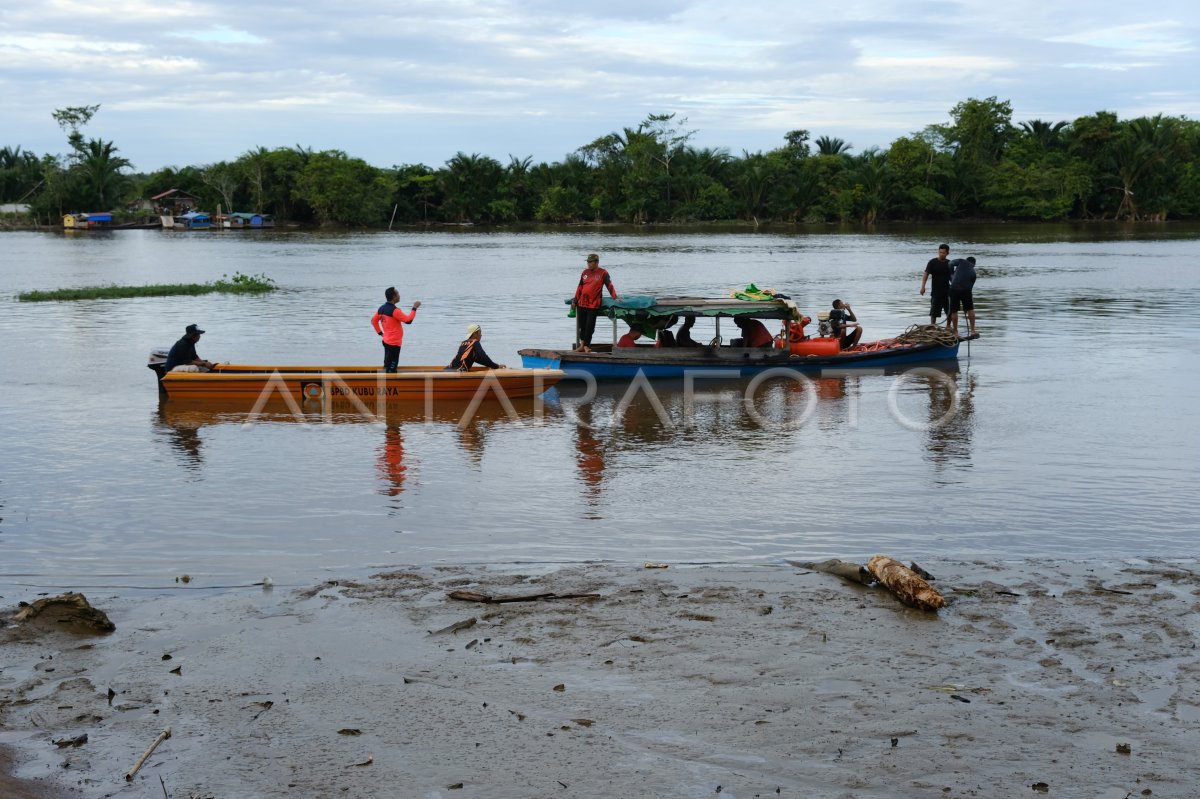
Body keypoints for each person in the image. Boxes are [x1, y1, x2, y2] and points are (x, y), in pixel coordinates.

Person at [571, 253, 619, 352]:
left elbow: (609, 285)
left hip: (593, 304)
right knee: (582, 326)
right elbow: (580, 287)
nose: (588, 264)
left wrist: (615, 297)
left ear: (596, 262)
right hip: (581, 303)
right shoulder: (585, 272)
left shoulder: (603, 273)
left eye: (590, 262)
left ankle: (586, 346)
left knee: (590, 326)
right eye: (588, 262)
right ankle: (582, 345)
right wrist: (575, 300)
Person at [371, 287, 421, 372]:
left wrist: (380, 333)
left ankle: (385, 379)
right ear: (394, 296)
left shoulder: (381, 308)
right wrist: (414, 308)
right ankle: (390, 381)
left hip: (386, 341)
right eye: (398, 293)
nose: (399, 295)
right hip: (394, 344)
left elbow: (373, 321)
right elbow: (408, 320)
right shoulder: (395, 310)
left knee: (387, 363)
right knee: (392, 367)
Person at [919, 243, 953, 327]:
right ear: (938, 252)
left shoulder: (950, 263)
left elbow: (953, 278)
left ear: (947, 253)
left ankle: (948, 327)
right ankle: (932, 327)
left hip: (947, 291)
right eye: (940, 252)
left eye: (943, 253)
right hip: (935, 291)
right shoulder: (932, 262)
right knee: (933, 312)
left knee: (949, 311)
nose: (941, 254)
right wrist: (923, 287)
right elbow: (926, 274)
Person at [948, 256, 978, 339]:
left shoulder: (961, 261)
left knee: (954, 310)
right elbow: (970, 289)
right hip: (966, 290)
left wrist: (952, 275)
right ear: (974, 265)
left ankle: (955, 332)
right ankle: (972, 331)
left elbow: (950, 263)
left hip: (953, 288)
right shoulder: (974, 274)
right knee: (970, 309)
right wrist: (966, 308)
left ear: (966, 260)